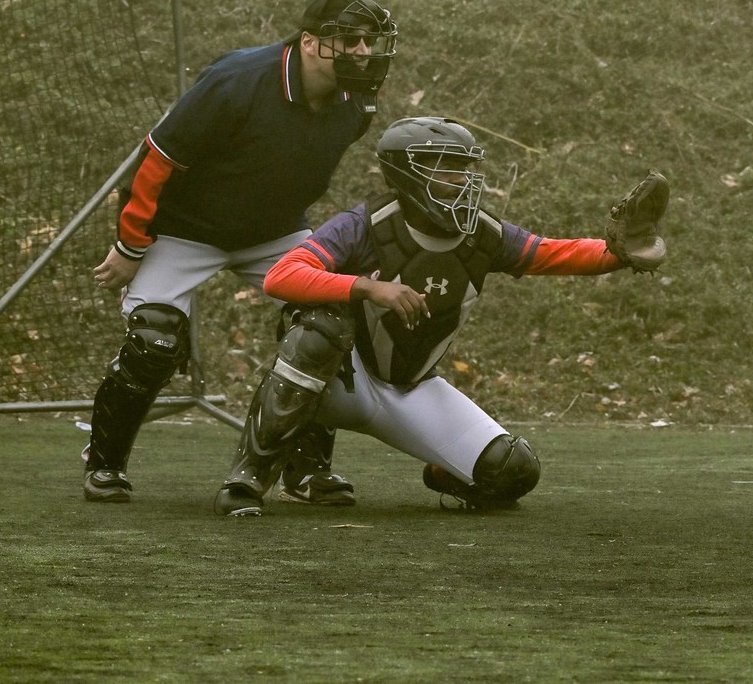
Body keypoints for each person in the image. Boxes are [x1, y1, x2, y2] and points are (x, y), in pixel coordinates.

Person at [213, 116, 669, 517]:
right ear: (406, 172)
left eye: (467, 167)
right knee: (317, 331)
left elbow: (546, 253)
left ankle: (447, 468)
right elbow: (282, 277)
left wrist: (617, 254)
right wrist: (370, 287)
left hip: (411, 387)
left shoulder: (481, 232)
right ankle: (255, 474)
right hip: (343, 378)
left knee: (511, 472)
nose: (464, 179)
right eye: (447, 167)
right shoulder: (364, 223)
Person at [84, 0, 399, 505]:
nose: (365, 53)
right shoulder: (236, 81)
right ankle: (104, 464)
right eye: (351, 40)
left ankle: (307, 469)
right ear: (310, 42)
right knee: (154, 339)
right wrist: (130, 245)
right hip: (183, 231)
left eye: (372, 40)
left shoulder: (358, 100)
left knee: (326, 324)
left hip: (274, 231)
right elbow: (155, 162)